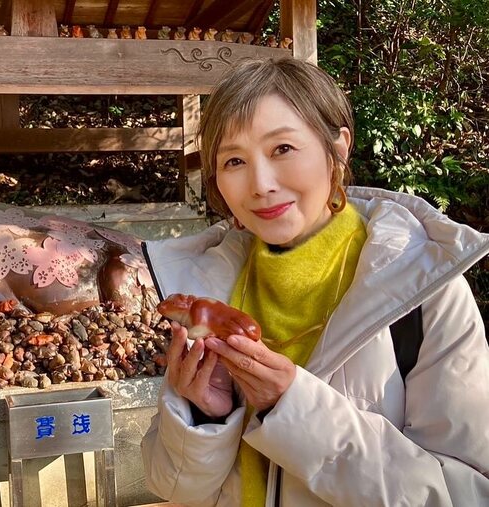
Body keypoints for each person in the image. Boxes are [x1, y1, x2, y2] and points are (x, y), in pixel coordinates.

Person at [140, 56, 489, 506]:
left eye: (282, 149)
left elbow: (465, 494)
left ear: (338, 148)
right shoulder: (209, 289)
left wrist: (293, 408)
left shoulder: (420, 292)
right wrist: (203, 415)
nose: (261, 184)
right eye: (233, 160)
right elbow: (171, 488)